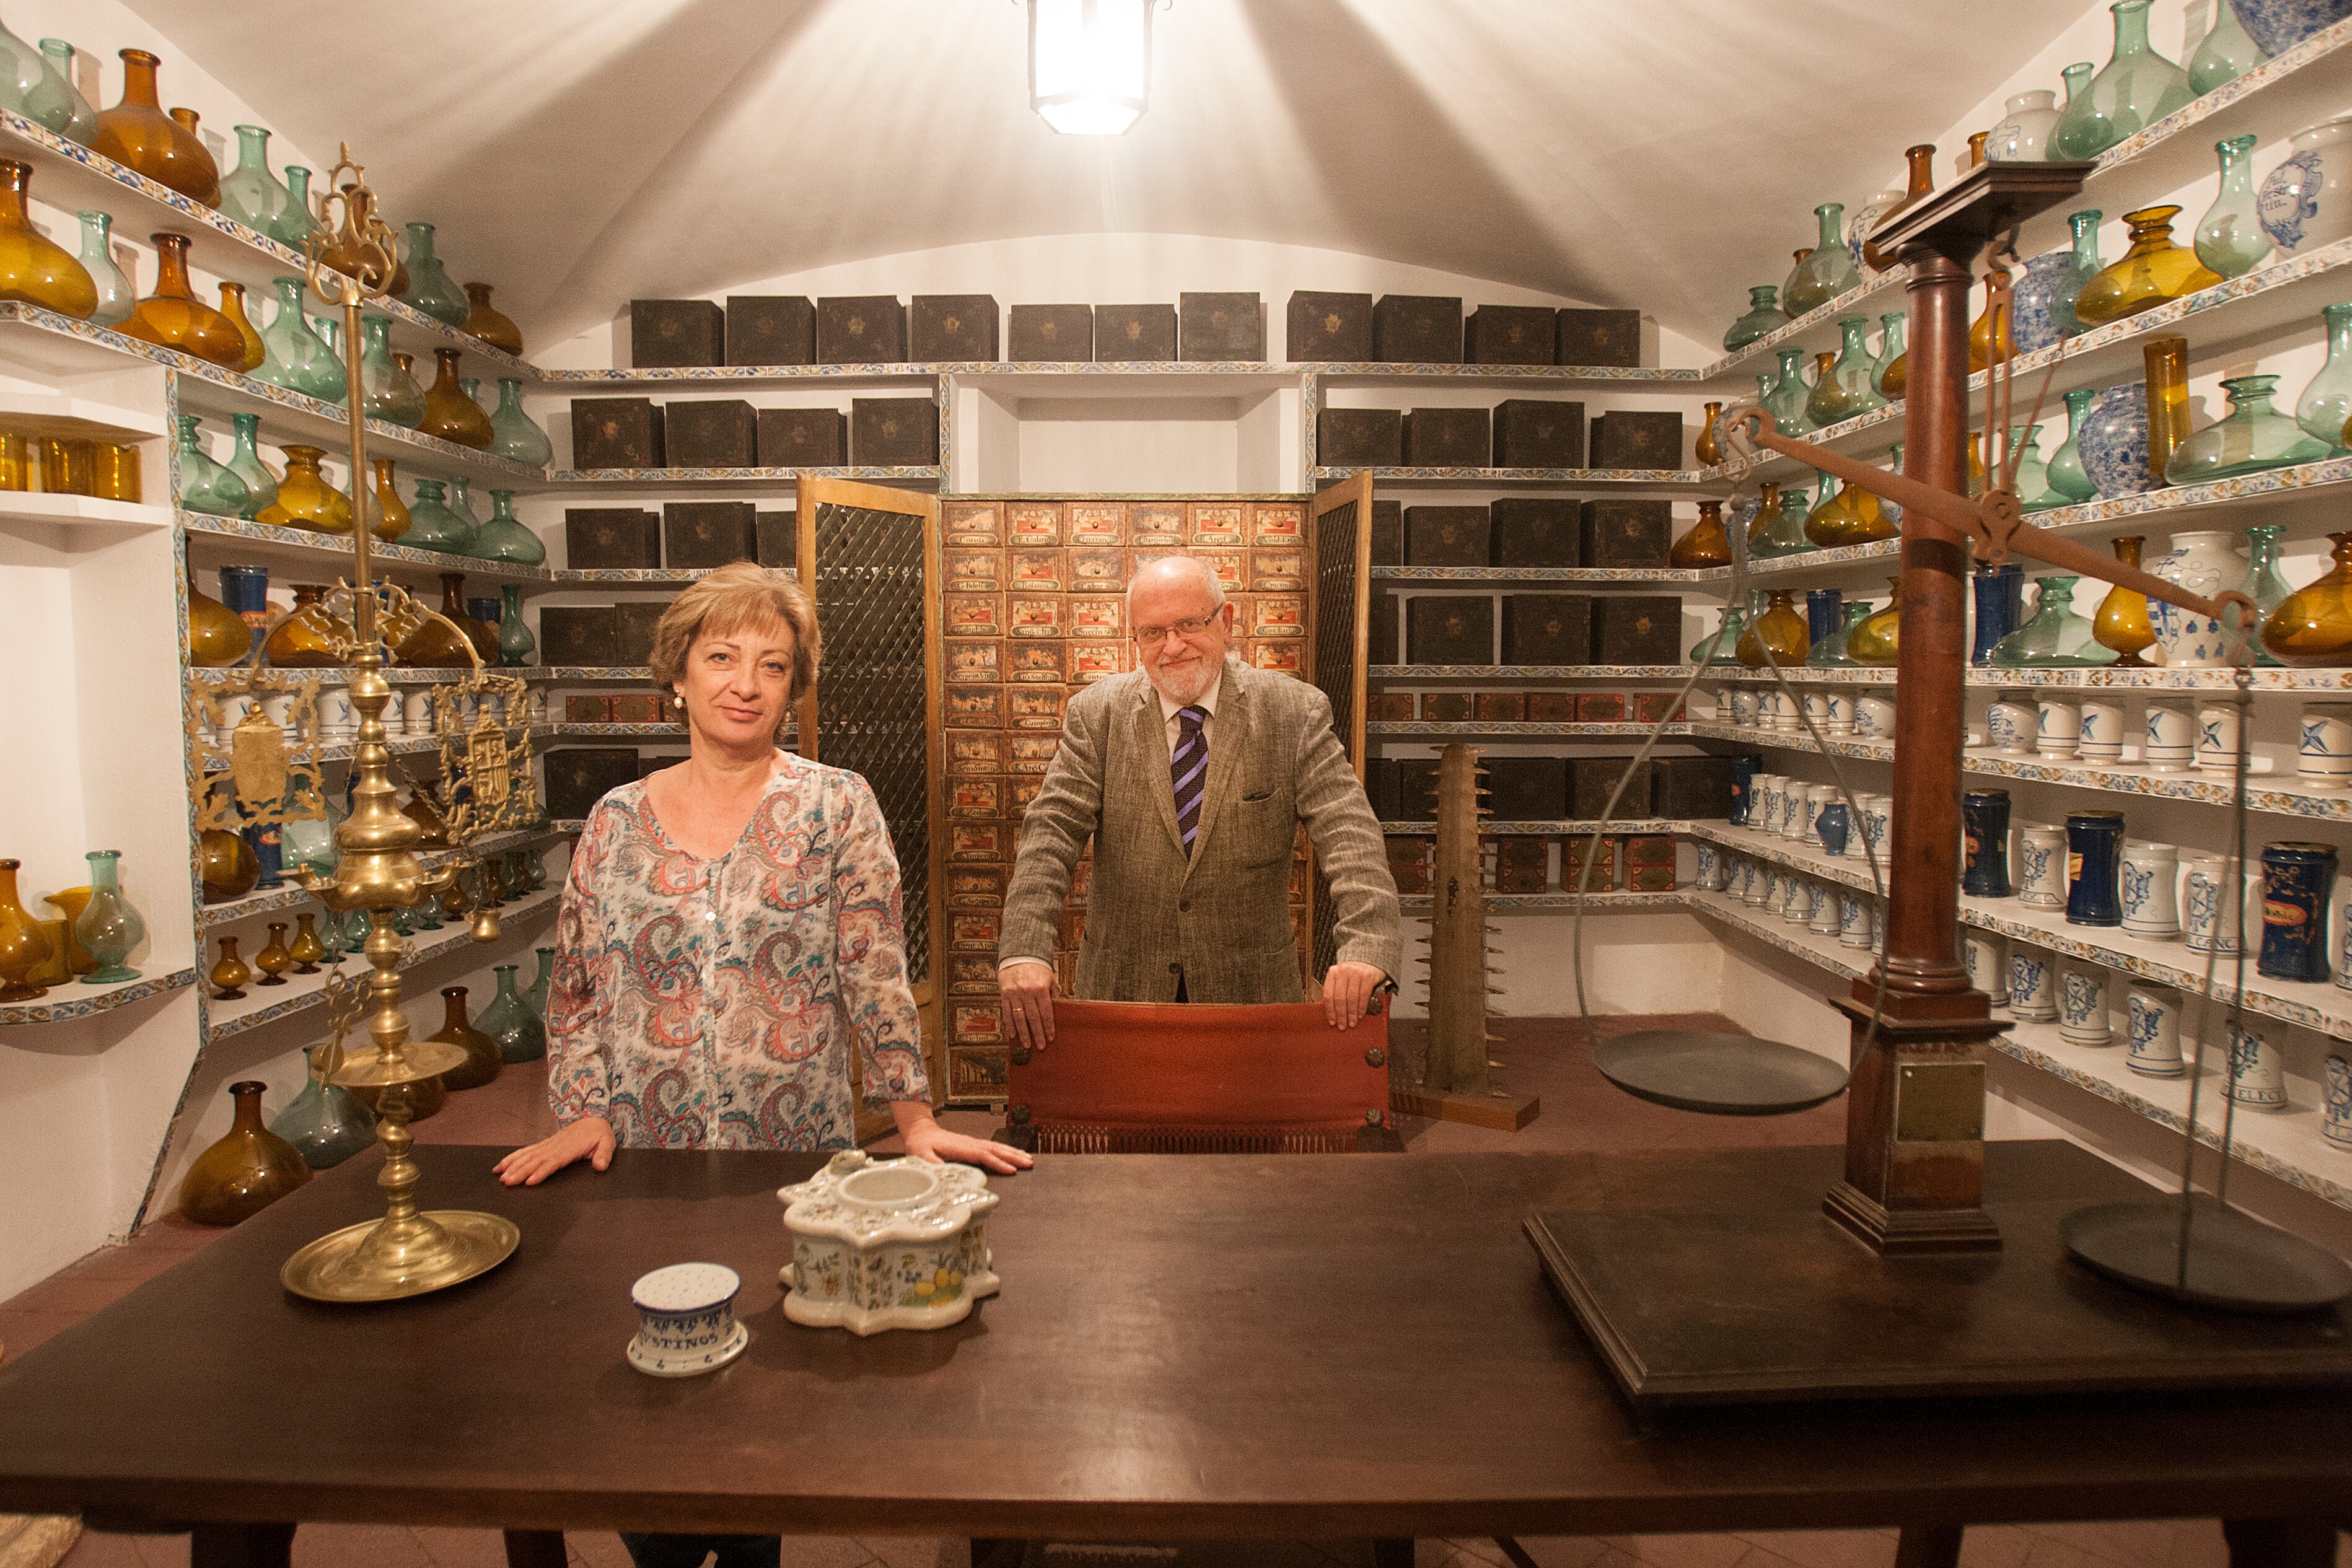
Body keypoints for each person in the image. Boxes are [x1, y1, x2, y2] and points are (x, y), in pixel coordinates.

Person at [997, 553, 1400, 1049]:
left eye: (1189, 623)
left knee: (1251, 1129)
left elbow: (1350, 835)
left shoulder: (1294, 712)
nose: (1173, 646)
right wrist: (1023, 950)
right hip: (1126, 996)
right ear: (1137, 639)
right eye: (1152, 632)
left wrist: (1367, 945)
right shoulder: (1095, 715)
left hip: (1250, 1001)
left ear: (1225, 622)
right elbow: (1050, 834)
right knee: (1129, 1127)